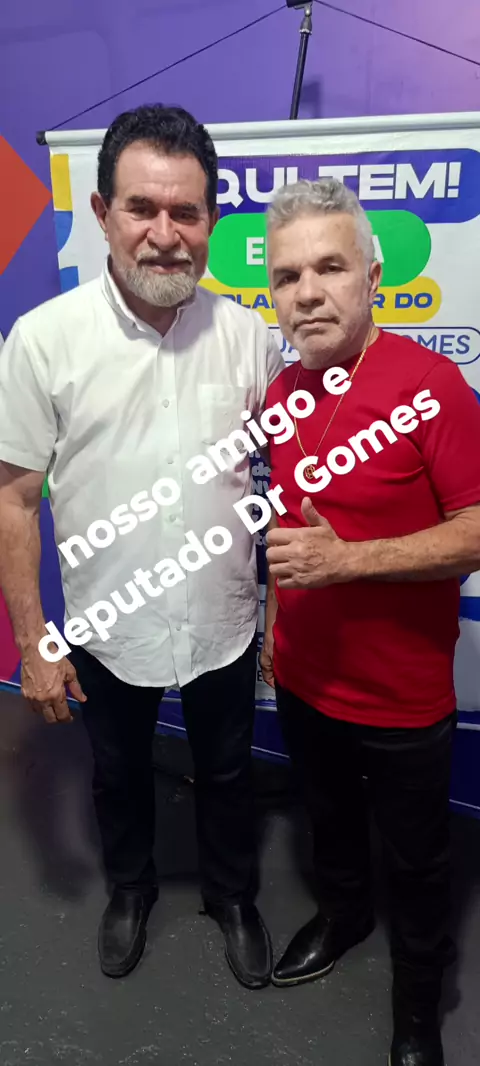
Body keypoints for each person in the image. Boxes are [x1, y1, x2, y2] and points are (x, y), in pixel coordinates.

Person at [0, 104, 285, 988]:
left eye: (186, 212)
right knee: (117, 771)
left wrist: (280, 615)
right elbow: (14, 502)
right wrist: (34, 644)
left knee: (229, 771)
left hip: (222, 619)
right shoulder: (44, 341)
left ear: (211, 220)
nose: (165, 235)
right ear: (101, 212)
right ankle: (131, 887)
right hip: (108, 622)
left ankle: (232, 896)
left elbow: (285, 484)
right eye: (141, 209)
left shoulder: (249, 338)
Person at [260, 177, 480, 1066]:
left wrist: (348, 561)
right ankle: (344, 916)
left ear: (373, 277)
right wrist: (276, 624)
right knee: (330, 823)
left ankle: (420, 1004)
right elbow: (290, 531)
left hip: (402, 697)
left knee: (420, 861)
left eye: (330, 267)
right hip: (305, 678)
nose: (308, 292)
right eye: (287, 277)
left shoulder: (433, 385)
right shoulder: (281, 393)